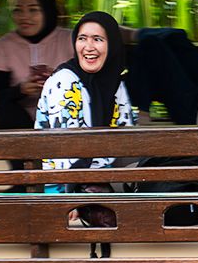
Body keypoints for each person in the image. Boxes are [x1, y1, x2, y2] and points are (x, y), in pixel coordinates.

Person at [35, 11, 135, 192]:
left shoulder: (114, 83)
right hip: (64, 187)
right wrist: (70, 197)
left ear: (112, 45)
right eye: (82, 38)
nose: (88, 47)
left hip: (105, 180)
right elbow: (66, 153)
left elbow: (128, 142)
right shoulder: (65, 82)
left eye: (97, 39)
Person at [0, 0, 74, 130]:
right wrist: (21, 90)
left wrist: (60, 79)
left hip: (65, 116)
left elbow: (89, 85)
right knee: (3, 112)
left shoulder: (70, 40)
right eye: (18, 10)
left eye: (33, 10)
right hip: (19, 122)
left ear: (48, 12)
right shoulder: (4, 45)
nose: (24, 17)